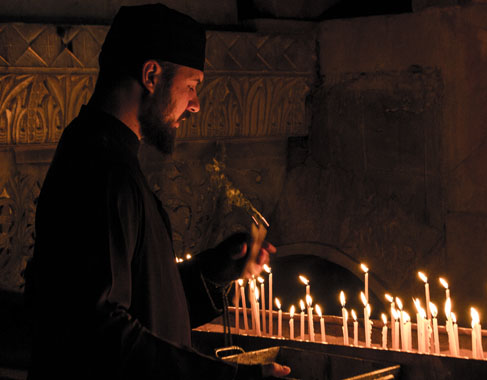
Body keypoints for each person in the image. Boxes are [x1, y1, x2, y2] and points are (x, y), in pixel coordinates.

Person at [23, 4, 290, 379]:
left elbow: (137, 304)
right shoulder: (103, 170)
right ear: (151, 75)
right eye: (192, 86)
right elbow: (98, 331)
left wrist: (210, 273)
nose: (195, 105)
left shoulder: (104, 154)